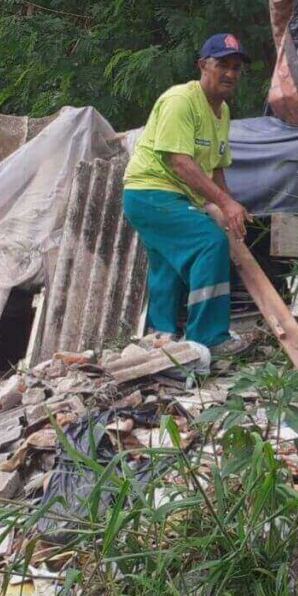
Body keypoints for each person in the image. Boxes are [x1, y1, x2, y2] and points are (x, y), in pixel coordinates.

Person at [122, 33, 254, 357]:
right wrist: (224, 203)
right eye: (222, 65)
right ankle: (208, 337)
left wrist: (229, 208)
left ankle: (162, 336)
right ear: (202, 65)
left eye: (236, 67)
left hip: (169, 196)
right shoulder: (180, 100)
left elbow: (216, 167)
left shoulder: (222, 111)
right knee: (210, 243)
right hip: (150, 192)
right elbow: (179, 161)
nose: (230, 73)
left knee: (166, 263)